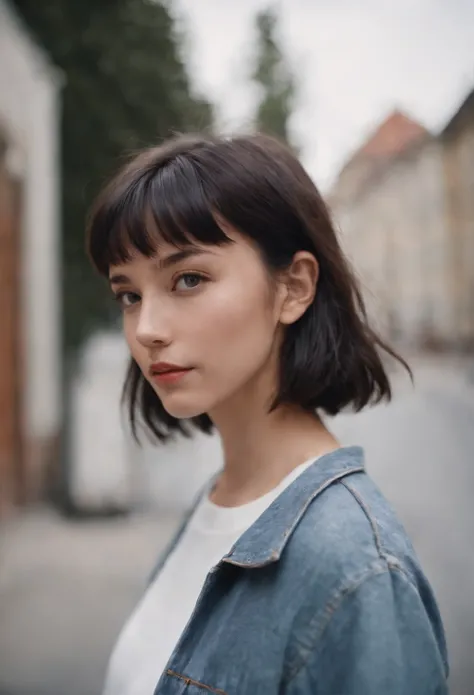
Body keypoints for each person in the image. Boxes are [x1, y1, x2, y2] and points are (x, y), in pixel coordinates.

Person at [86, 133, 449, 695]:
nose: (147, 328)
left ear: (293, 288)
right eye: (129, 294)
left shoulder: (356, 568)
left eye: (188, 279)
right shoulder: (220, 501)